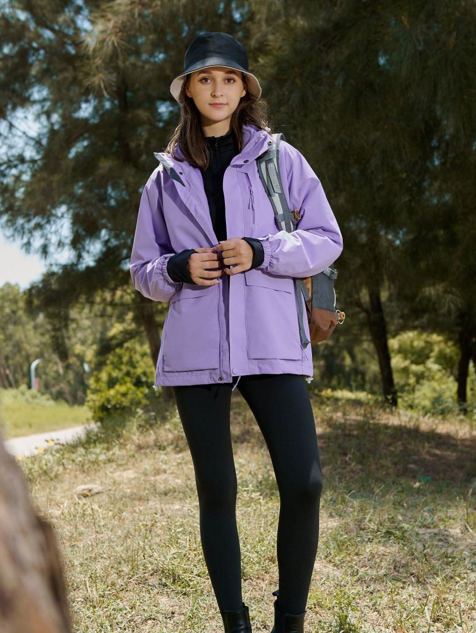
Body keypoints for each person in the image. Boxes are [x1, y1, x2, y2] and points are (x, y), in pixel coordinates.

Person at [130, 31, 343, 633]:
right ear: (189, 92)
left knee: (304, 483)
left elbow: (326, 238)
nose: (218, 90)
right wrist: (177, 268)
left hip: (271, 343)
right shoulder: (164, 180)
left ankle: (289, 623)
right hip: (196, 349)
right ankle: (235, 624)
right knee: (218, 491)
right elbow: (143, 270)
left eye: (229, 79)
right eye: (205, 79)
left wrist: (261, 251)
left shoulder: (281, 159)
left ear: (245, 90)